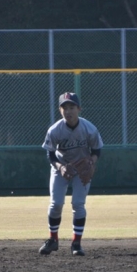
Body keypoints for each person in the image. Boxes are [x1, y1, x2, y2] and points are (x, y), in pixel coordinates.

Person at [39, 92, 103, 256]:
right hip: (61, 167)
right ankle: (53, 239)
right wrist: (60, 167)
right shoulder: (55, 130)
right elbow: (50, 154)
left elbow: (97, 150)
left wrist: (91, 162)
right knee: (56, 204)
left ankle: (76, 243)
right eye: (64, 108)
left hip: (82, 169)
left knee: (78, 204)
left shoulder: (89, 128)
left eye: (71, 107)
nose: (68, 111)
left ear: (79, 109)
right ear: (60, 110)